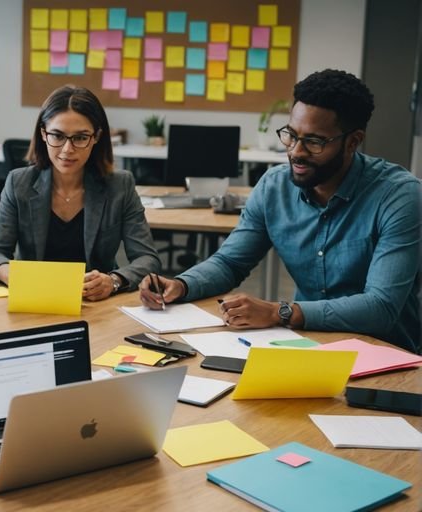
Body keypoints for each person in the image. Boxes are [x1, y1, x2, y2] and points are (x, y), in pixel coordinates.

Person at [139, 69, 421, 353]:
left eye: (314, 141)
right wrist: (182, 284)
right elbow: (230, 263)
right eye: (291, 135)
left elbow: (380, 307)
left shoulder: (399, 196)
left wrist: (280, 312)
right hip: (308, 347)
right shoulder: (274, 187)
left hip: (388, 356)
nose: (296, 152)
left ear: (353, 141)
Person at [0, 85, 161, 300]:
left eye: (80, 138)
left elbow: (148, 258)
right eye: (57, 136)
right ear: (43, 133)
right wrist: (12, 275)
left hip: (97, 304)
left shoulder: (120, 185)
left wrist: (113, 281)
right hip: (35, 299)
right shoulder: (19, 182)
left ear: (96, 137)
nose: (67, 149)